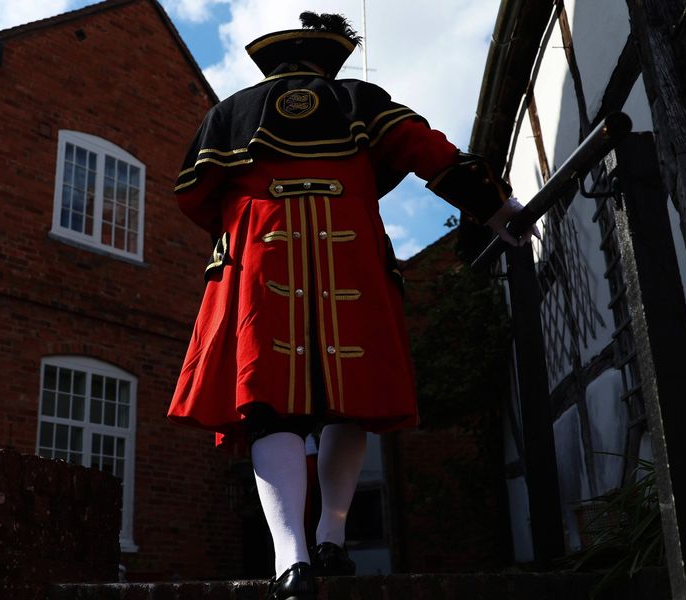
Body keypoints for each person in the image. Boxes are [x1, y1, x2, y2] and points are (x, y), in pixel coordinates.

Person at [167, 11, 533, 599]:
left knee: (270, 405)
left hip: (264, 253)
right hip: (351, 254)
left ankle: (291, 561)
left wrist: (245, 216)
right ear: (328, 62)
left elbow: (195, 197)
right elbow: (424, 149)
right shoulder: (358, 99)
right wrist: (493, 205)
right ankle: (332, 539)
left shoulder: (229, 113)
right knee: (350, 402)